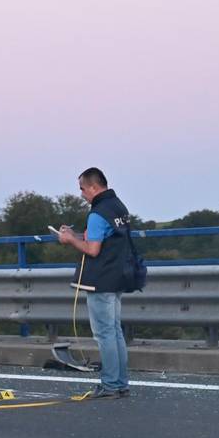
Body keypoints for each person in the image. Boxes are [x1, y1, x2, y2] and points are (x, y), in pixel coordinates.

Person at [57, 167, 131, 399]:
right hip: (119, 275)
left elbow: (93, 249)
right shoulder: (118, 207)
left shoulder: (97, 213)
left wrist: (69, 240)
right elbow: (102, 240)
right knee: (115, 331)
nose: (81, 194)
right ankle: (120, 383)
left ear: (93, 187)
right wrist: (78, 235)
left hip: (100, 279)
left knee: (104, 333)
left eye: (82, 188)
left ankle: (109, 385)